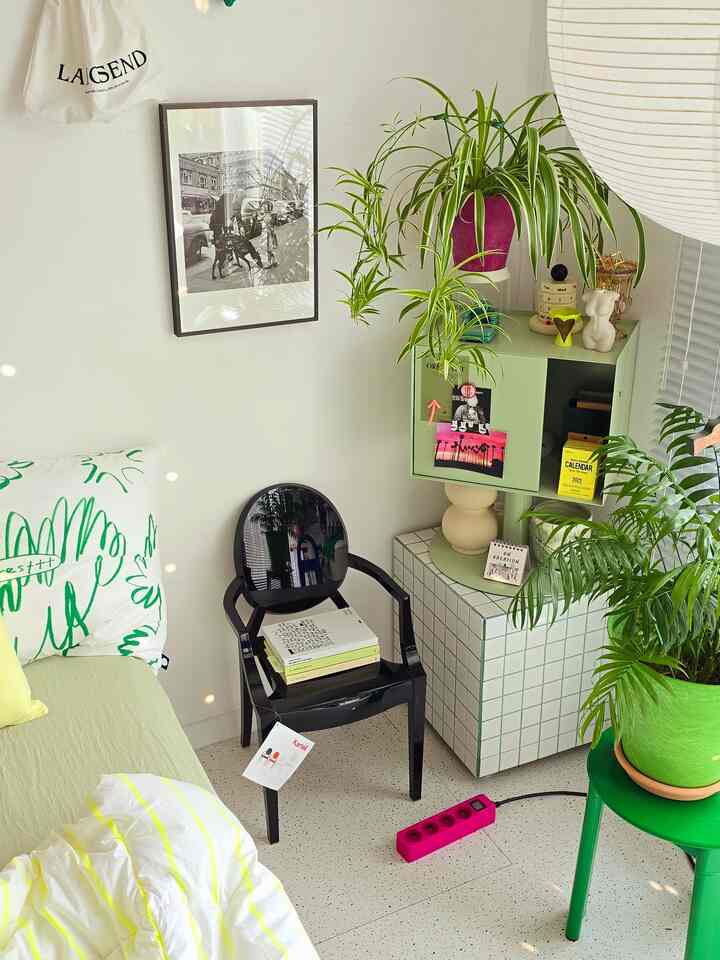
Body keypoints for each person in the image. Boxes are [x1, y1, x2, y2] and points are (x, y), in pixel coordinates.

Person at [262, 202, 278, 269]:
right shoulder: (268, 214)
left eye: (264, 207)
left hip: (268, 234)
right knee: (269, 249)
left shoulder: (269, 215)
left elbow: (270, 225)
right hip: (268, 233)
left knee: (268, 249)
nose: (263, 208)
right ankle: (274, 261)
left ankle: (269, 263)